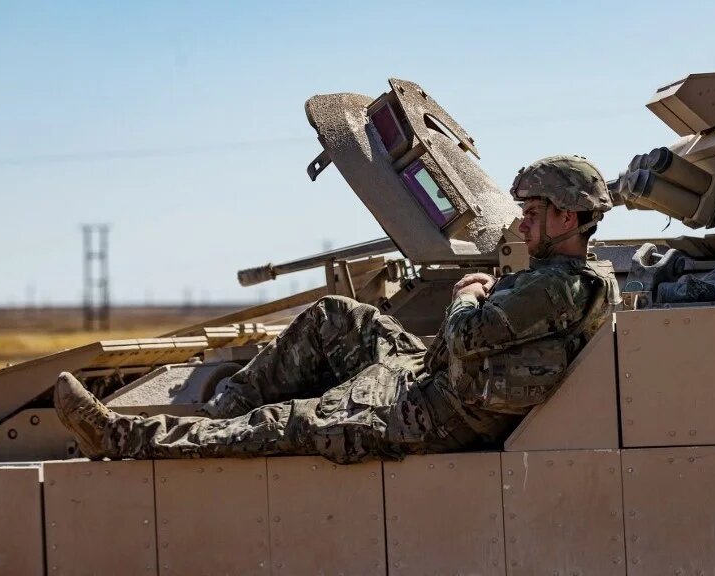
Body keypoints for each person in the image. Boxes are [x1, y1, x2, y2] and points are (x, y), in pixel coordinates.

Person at [54, 155, 620, 464]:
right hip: (431, 378)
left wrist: (467, 294)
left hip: (429, 416)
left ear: (568, 218)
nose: (521, 221)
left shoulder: (557, 289)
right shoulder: (567, 278)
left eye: (533, 211)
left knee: (290, 423)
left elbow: (469, 334)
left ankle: (123, 440)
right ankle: (226, 411)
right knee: (336, 317)